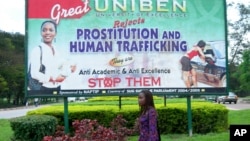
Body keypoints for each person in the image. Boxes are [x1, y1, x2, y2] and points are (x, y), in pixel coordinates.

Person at [28, 20, 76, 91]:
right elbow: (34, 73)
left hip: (56, 87)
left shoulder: (56, 50)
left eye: (51, 30)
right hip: (42, 88)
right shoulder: (37, 50)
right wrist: (52, 79)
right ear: (41, 33)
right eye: (44, 30)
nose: (47, 32)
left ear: (55, 33)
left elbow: (59, 68)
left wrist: (70, 69)